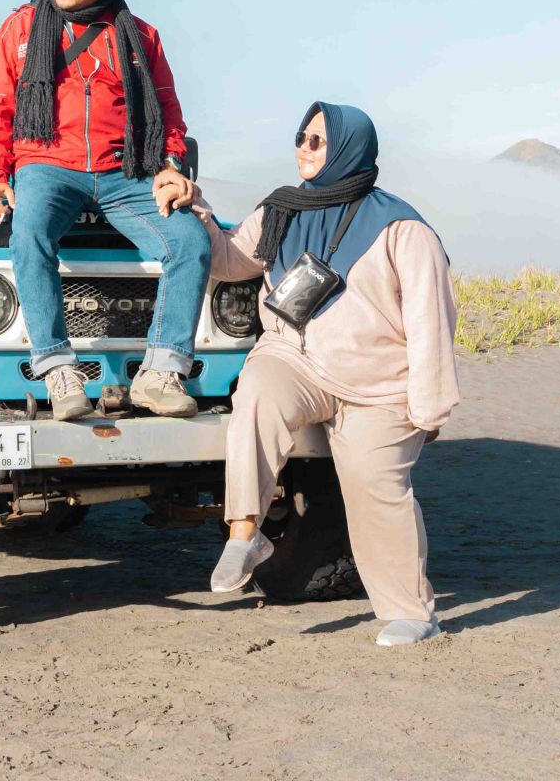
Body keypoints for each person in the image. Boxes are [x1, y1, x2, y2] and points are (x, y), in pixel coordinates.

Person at [193, 101, 460, 647]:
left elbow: (431, 320)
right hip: (296, 359)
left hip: (377, 383)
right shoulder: (280, 211)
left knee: (375, 486)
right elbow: (228, 260)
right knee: (258, 392)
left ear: (348, 148)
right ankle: (245, 534)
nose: (303, 148)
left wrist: (428, 407)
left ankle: (411, 613)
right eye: (300, 137)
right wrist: (196, 211)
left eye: (317, 140)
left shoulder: (402, 228)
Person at [0, 0, 209, 419]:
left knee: (192, 241)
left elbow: (167, 111)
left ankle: (160, 373)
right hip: (46, 165)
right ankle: (58, 369)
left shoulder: (140, 37)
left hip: (125, 171)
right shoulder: (19, 29)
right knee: (29, 233)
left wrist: (170, 166)